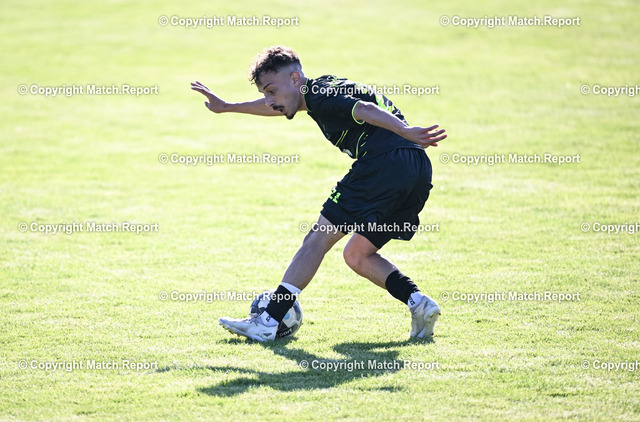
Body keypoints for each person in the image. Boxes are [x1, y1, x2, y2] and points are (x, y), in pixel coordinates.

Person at [191, 45, 446, 342]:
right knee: (357, 254)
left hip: (384, 163)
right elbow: (279, 106)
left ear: (295, 78)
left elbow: (365, 110)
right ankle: (419, 303)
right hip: (416, 168)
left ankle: (268, 320)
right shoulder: (316, 92)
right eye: (265, 93)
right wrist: (227, 107)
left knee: (317, 238)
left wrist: (405, 130)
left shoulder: (319, 94)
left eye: (272, 91)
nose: (269, 100)